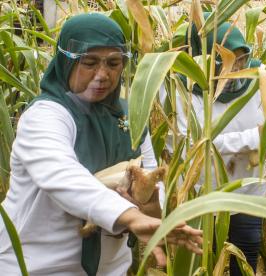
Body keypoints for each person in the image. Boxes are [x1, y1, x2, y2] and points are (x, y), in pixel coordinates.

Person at [0, 13, 201, 276]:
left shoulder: (130, 117)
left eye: (114, 63)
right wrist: (131, 216)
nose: (103, 75)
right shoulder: (46, 115)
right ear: (65, 61)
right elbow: (62, 174)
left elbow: (151, 175)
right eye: (89, 62)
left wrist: (151, 206)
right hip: (37, 266)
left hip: (109, 268)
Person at [160, 17, 266, 275]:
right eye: (228, 61)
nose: (236, 68)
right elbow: (191, 145)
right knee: (205, 263)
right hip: (202, 197)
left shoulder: (259, 76)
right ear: (203, 60)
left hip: (248, 194)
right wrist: (255, 138)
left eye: (241, 59)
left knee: (245, 260)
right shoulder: (178, 88)